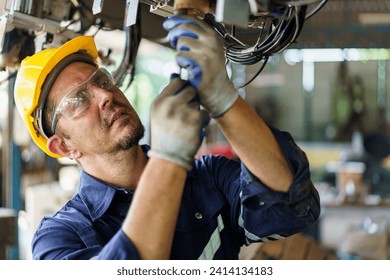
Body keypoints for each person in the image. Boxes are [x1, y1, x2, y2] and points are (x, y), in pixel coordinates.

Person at [14, 15, 320, 260]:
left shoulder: (206, 178)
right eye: (78, 100)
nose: (105, 94)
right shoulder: (60, 237)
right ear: (63, 145)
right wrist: (167, 158)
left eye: (102, 80)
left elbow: (292, 207)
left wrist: (223, 98)